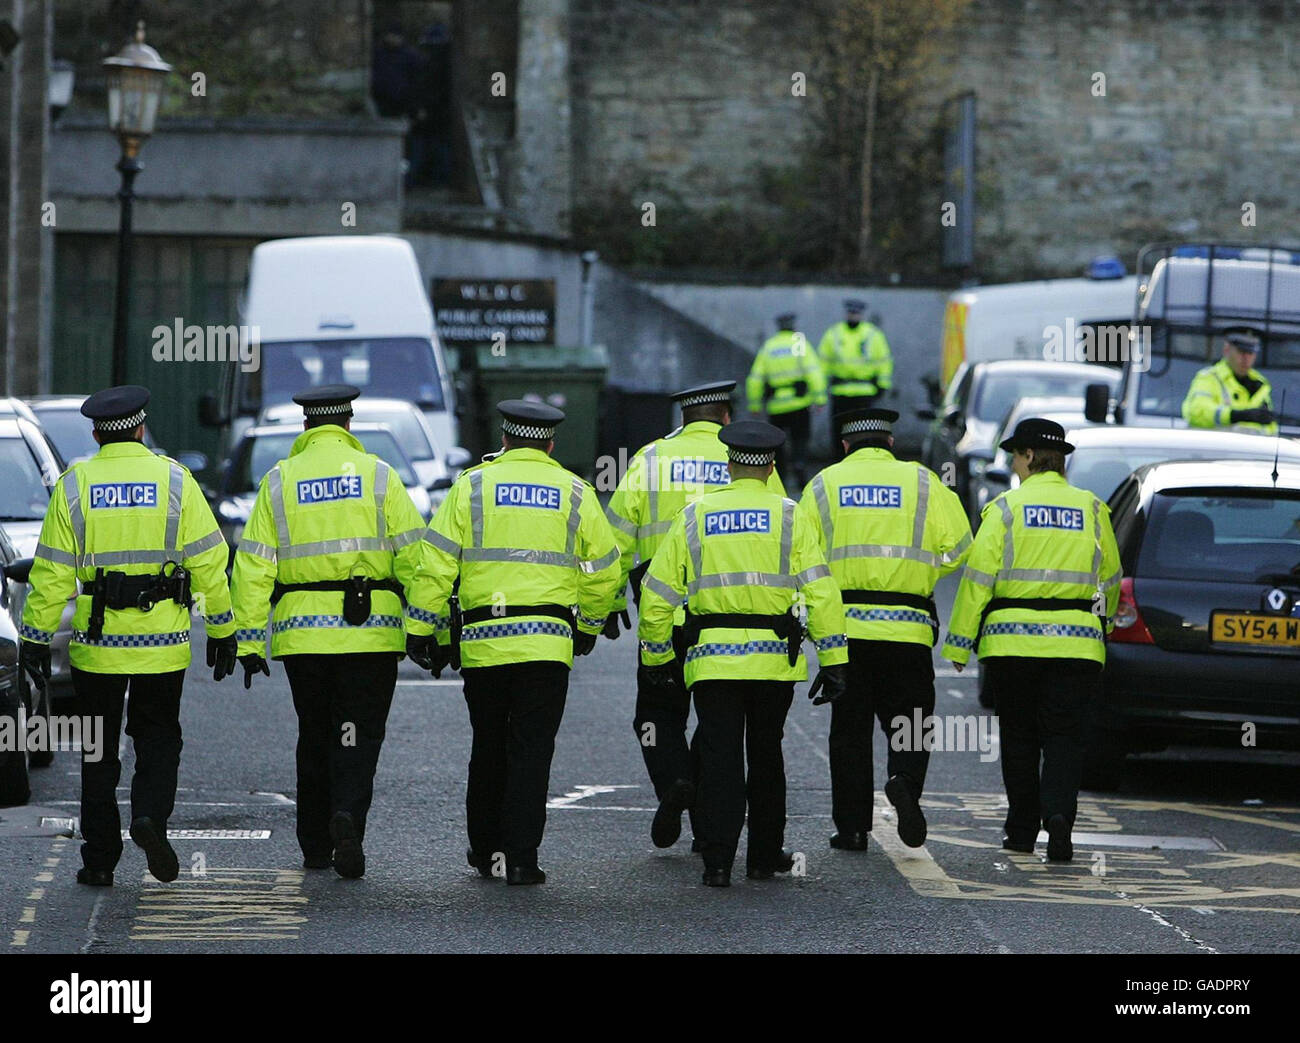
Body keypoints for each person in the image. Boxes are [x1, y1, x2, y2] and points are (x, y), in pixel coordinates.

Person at [20, 386, 236, 887]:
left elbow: (51, 575)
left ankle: (99, 858)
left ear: (97, 433)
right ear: (140, 429)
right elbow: (209, 563)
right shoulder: (176, 481)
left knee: (97, 747)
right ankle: (149, 818)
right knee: (158, 736)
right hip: (162, 645)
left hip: (97, 648)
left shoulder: (75, 485)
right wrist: (225, 630)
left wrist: (33, 639)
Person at [230, 384, 441, 879]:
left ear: (307, 427)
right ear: (349, 425)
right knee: (357, 734)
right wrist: (426, 626)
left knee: (315, 733)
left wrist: (246, 639)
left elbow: (253, 566)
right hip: (371, 634)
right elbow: (417, 558)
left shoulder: (280, 480)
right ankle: (347, 814)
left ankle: (314, 845)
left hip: (304, 638)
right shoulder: (380, 477)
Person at [638, 420, 849, 887]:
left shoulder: (694, 515)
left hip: (713, 662)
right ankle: (763, 856)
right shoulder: (790, 516)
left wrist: (656, 657)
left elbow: (657, 596)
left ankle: (716, 862)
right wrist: (834, 662)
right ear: (770, 465)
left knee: (719, 757)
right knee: (767, 755)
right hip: (774, 663)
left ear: (729, 465)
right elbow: (821, 594)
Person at [421, 401, 620, 884]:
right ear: (550, 445)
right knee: (532, 750)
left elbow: (435, 563)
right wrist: (588, 627)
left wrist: (424, 628)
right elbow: (605, 570)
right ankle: (522, 860)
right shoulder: (575, 492)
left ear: (505, 440)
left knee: (488, 745)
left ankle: (486, 850)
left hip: (484, 642)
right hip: (547, 644)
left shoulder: (470, 486)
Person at [603, 380, 785, 851]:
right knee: (717, 721)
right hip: (726, 610)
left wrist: (603, 604)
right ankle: (711, 828)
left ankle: (675, 781)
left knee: (657, 712)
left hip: (661, 608)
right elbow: (783, 530)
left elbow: (616, 539)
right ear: (727, 417)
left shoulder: (648, 460)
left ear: (681, 419)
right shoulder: (749, 457)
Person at [941, 418, 1121, 862]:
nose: (1013, 466)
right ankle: (1058, 815)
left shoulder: (1004, 509)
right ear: (1060, 462)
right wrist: (1108, 624)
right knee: (1065, 738)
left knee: (1019, 737)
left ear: (1026, 457)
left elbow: (978, 580)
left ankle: (1021, 830)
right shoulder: (1093, 509)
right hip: (1076, 647)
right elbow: (1111, 578)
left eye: (1014, 457)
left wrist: (959, 644)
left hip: (1012, 647)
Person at [799, 407, 971, 852]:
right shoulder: (923, 482)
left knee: (850, 732)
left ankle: (853, 828)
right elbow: (960, 546)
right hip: (908, 630)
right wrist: (921, 577)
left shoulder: (823, 485)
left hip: (847, 632)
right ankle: (904, 782)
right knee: (911, 722)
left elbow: (799, 557)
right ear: (891, 444)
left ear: (845, 447)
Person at [745, 313, 826, 486]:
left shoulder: (769, 347)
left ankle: (780, 475)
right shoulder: (800, 344)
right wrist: (819, 398)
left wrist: (754, 404)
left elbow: (755, 378)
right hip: (799, 404)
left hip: (777, 407)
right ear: (793, 326)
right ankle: (799, 464)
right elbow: (814, 371)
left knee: (777, 443)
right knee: (800, 439)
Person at [818, 299, 893, 458]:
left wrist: (882, 385)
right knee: (839, 433)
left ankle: (862, 460)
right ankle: (839, 461)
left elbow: (884, 361)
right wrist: (820, 390)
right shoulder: (834, 334)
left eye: (856, 313)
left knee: (863, 432)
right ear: (846, 313)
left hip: (864, 393)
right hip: (840, 392)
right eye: (851, 313)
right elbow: (822, 363)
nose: (853, 316)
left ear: (861, 314)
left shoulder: (872, 334)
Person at [1182, 327, 1277, 434]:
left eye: (1250, 353)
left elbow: (1271, 428)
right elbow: (1196, 412)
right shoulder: (1209, 378)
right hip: (1215, 449)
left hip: (1251, 450)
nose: (1246, 358)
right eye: (1241, 351)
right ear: (1227, 350)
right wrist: (1235, 416)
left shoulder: (1260, 384)